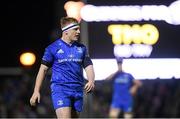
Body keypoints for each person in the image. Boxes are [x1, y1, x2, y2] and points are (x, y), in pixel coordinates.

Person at [30, 17, 95, 118]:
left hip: (78, 90)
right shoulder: (52, 48)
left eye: (79, 29)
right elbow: (43, 70)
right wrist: (36, 91)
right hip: (61, 89)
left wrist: (91, 80)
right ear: (66, 31)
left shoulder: (82, 48)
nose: (79, 32)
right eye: (75, 29)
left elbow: (88, 65)